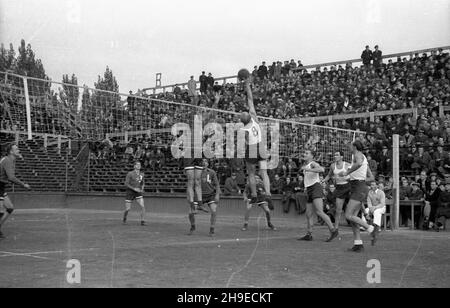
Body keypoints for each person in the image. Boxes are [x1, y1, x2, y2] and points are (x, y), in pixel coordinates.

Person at [239, 78, 272, 207]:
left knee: (251, 173)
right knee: (264, 172)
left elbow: (246, 142)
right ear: (249, 116)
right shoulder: (255, 118)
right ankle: (268, 194)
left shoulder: (243, 128)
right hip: (260, 146)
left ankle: (253, 195)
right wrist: (247, 86)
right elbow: (250, 100)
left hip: (252, 148)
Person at [341, 141, 376, 252]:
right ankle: (358, 244)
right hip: (358, 187)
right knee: (353, 219)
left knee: (348, 215)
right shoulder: (361, 156)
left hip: (359, 188)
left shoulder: (358, 155)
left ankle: (371, 229)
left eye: (350, 145)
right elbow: (371, 177)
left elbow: (359, 164)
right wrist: (356, 177)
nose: (349, 146)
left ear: (355, 147)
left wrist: (347, 172)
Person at [298, 149, 339, 242]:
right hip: (309, 189)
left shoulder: (312, 164)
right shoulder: (306, 165)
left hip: (315, 188)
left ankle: (333, 230)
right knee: (308, 214)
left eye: (307, 153)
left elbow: (322, 169)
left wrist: (308, 169)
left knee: (319, 212)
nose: (304, 154)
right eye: (305, 153)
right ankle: (309, 234)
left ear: (312, 156)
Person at [0, 143, 31, 239]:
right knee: (0, 211)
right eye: (16, 149)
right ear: (11, 151)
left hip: (1, 186)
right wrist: (23, 184)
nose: (18, 150)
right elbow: (11, 177)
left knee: (9, 208)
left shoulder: (11, 160)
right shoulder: (7, 160)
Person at [190, 159, 221, 236]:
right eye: (202, 161)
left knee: (214, 211)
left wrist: (217, 195)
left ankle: (212, 230)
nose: (204, 163)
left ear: (208, 164)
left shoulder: (212, 172)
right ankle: (193, 226)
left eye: (206, 161)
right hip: (198, 195)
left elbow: (217, 185)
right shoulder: (195, 172)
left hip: (210, 195)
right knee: (190, 213)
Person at [323, 151, 351, 231]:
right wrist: (323, 180)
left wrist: (347, 176)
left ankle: (365, 216)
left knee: (355, 205)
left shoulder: (347, 165)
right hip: (339, 187)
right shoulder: (332, 166)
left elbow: (353, 174)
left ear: (341, 157)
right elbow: (329, 175)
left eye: (337, 155)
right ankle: (336, 228)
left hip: (348, 186)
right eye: (334, 155)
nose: (335, 156)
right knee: (338, 210)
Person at [123, 161, 146, 226]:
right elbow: (126, 183)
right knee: (128, 209)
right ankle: (125, 217)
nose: (139, 166)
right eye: (137, 165)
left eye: (140, 164)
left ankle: (142, 221)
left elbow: (142, 182)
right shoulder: (130, 173)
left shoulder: (142, 174)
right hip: (130, 192)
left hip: (138, 192)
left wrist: (142, 188)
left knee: (142, 206)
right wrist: (134, 188)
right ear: (134, 166)